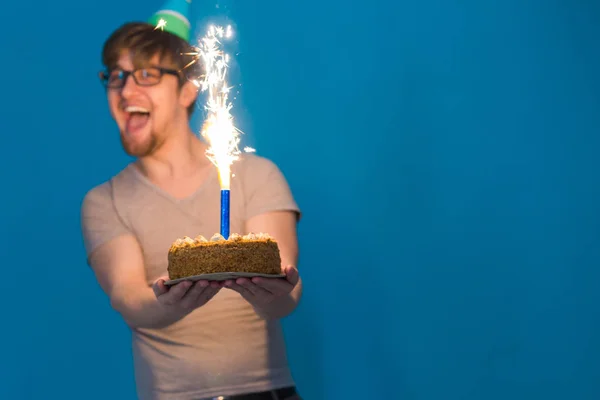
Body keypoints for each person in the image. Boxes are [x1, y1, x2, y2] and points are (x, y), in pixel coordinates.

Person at [80, 1, 303, 399]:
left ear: (188, 89)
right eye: (116, 76)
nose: (126, 89)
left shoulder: (258, 175)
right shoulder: (104, 201)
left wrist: (275, 289)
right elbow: (130, 299)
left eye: (146, 74)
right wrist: (173, 299)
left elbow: (284, 296)